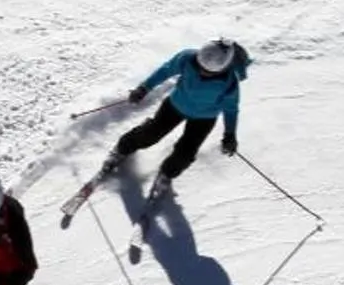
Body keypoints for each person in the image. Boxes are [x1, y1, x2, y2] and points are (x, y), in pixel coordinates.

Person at [98, 37, 250, 200]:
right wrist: (144, 87)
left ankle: (167, 174)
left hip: (204, 118)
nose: (202, 72)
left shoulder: (230, 83)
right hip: (176, 105)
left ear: (223, 67)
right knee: (151, 134)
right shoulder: (187, 58)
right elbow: (165, 70)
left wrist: (230, 135)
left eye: (208, 71)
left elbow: (231, 110)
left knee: (186, 152)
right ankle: (121, 149)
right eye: (200, 66)